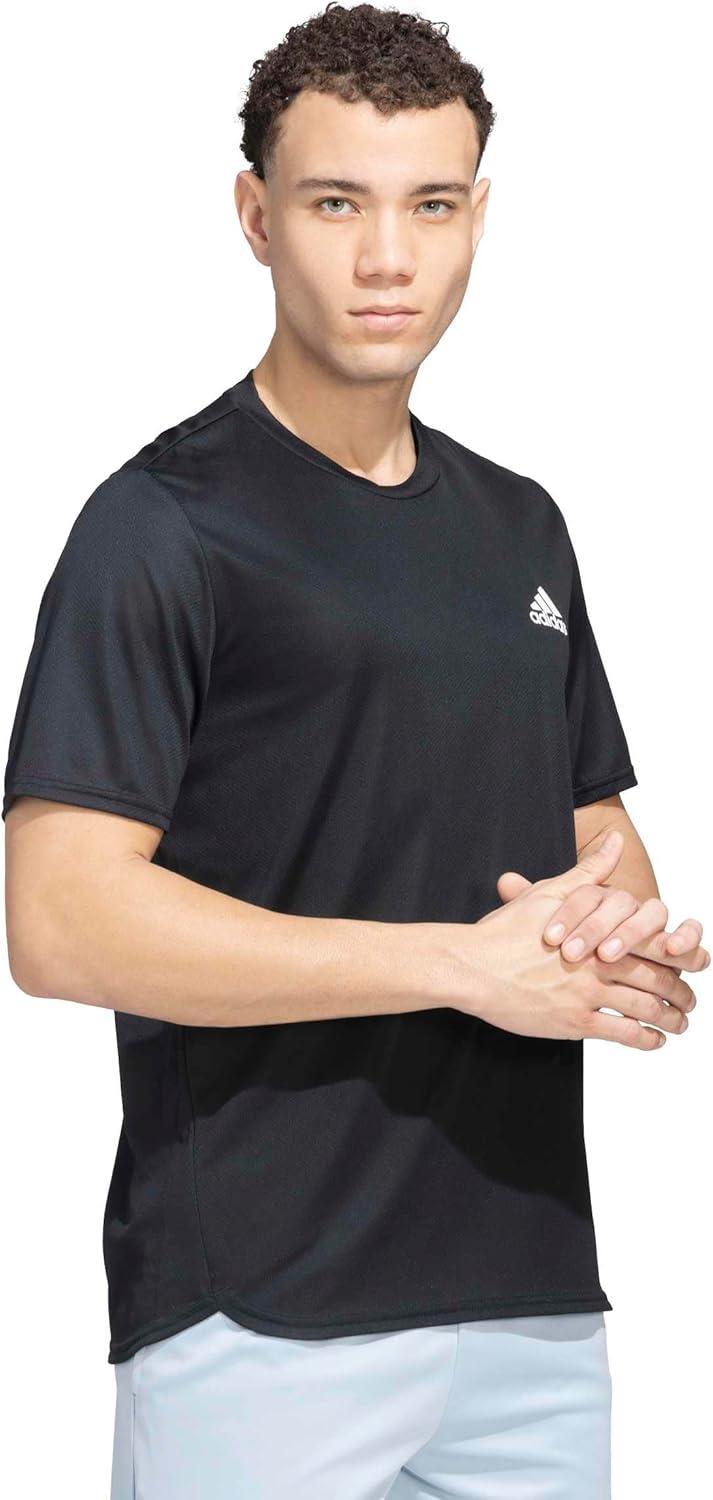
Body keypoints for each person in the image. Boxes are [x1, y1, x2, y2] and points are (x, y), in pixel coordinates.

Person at [3, 5, 708, 1497]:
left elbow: (599, 843)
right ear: (256, 217)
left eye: (429, 205)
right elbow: (59, 923)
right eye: (337, 203)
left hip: (529, 1304)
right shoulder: (162, 528)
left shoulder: (521, 526)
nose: (388, 257)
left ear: (477, 219)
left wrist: (619, 945)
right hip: (262, 1310)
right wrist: (461, 966)